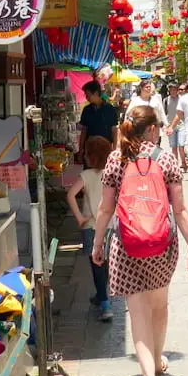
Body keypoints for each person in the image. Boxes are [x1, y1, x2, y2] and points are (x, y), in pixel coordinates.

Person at [92, 106, 188, 376]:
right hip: (162, 245)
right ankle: (157, 361)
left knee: (137, 314)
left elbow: (105, 209)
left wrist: (97, 243)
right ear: (152, 129)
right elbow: (180, 209)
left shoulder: (116, 159)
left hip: (126, 245)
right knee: (159, 306)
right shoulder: (165, 159)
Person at [65, 136, 114, 322]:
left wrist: (79, 217)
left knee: (96, 266)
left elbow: (70, 195)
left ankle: (104, 302)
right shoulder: (111, 173)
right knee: (106, 262)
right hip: (109, 225)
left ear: (90, 156)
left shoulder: (85, 175)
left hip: (91, 227)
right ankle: (101, 295)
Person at [78, 81, 119, 160]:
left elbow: (114, 130)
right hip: (90, 150)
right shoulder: (87, 110)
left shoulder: (110, 109)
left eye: (88, 94)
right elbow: (84, 131)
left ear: (96, 93)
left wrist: (114, 149)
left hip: (105, 149)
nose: (86, 97)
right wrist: (80, 151)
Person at [164, 83, 188, 172]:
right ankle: (175, 165)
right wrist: (166, 125)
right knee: (173, 146)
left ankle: (184, 163)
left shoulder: (182, 99)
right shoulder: (166, 100)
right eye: (171, 90)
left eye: (175, 89)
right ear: (169, 91)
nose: (173, 91)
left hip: (181, 124)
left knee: (181, 145)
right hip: (171, 126)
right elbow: (164, 113)